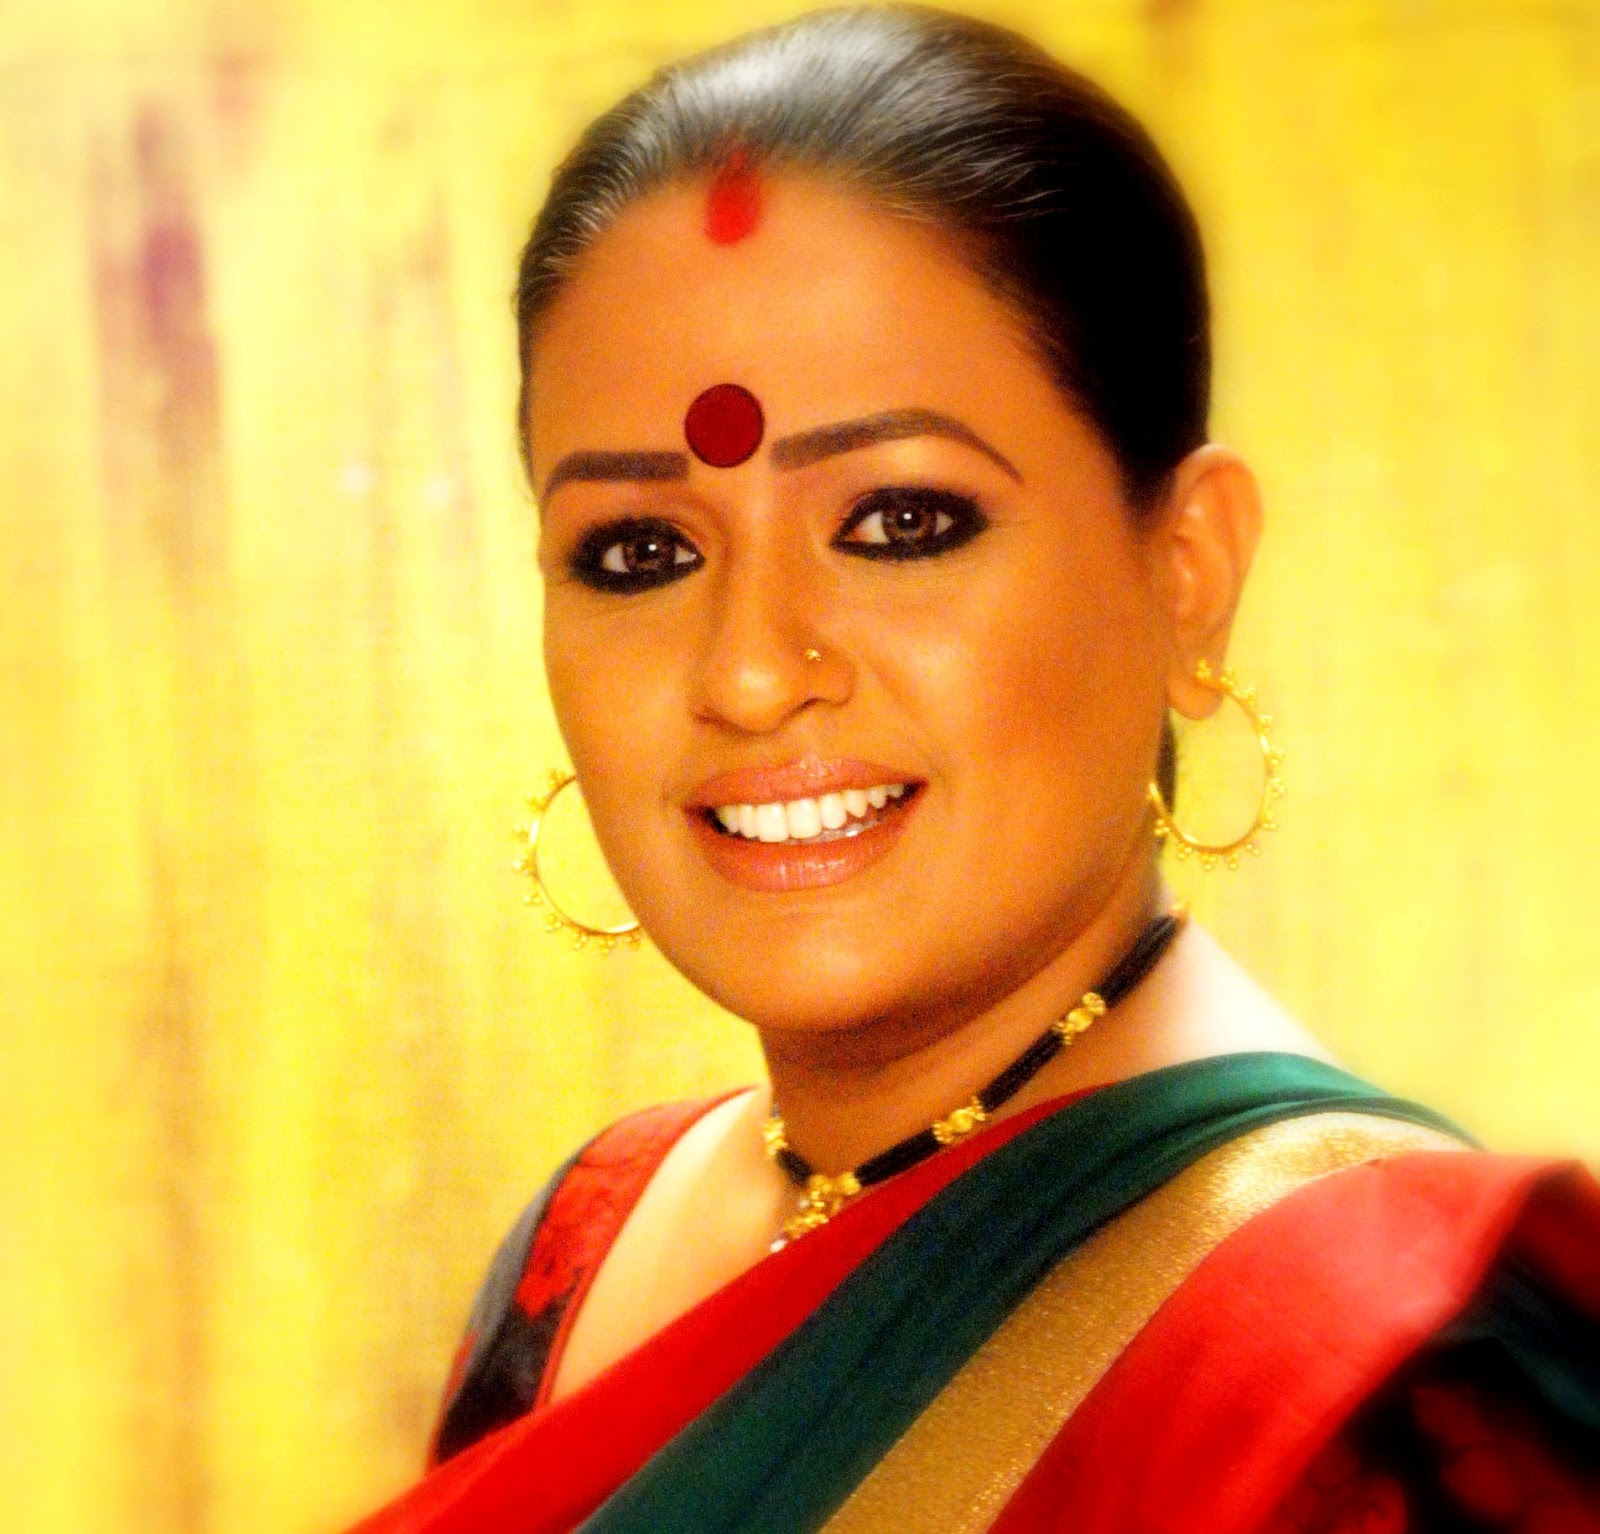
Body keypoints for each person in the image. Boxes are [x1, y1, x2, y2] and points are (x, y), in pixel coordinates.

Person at [348, 7, 1600, 1530]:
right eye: (640, 552)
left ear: (1189, 568)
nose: (750, 672)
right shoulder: (580, 1250)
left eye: (901, 524)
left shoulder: (1392, 1386)